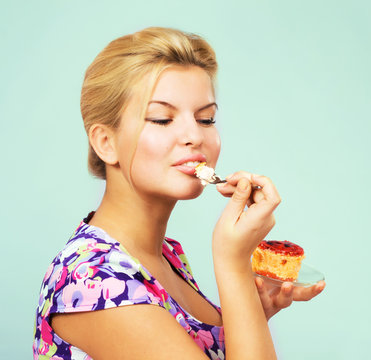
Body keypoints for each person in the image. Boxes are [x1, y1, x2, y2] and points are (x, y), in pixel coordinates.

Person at [33, 27, 325, 360]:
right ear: (106, 143)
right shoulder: (95, 281)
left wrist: (249, 311)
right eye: (161, 119)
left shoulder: (163, 256)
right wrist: (233, 266)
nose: (193, 136)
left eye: (206, 118)